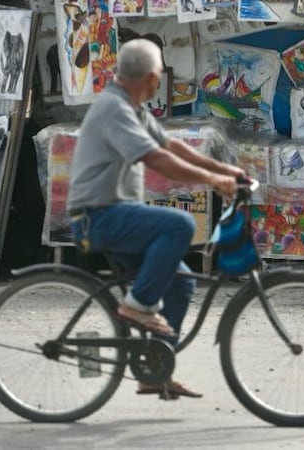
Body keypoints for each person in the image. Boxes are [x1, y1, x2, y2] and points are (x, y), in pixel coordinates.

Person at [67, 39, 244, 399]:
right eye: (159, 74)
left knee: (180, 284)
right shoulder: (114, 108)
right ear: (150, 78)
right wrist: (212, 181)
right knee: (179, 224)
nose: (160, 80)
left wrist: (224, 169)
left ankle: (152, 370)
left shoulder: (132, 107)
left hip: (114, 215)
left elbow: (170, 146)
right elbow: (157, 159)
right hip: (97, 217)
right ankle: (136, 307)